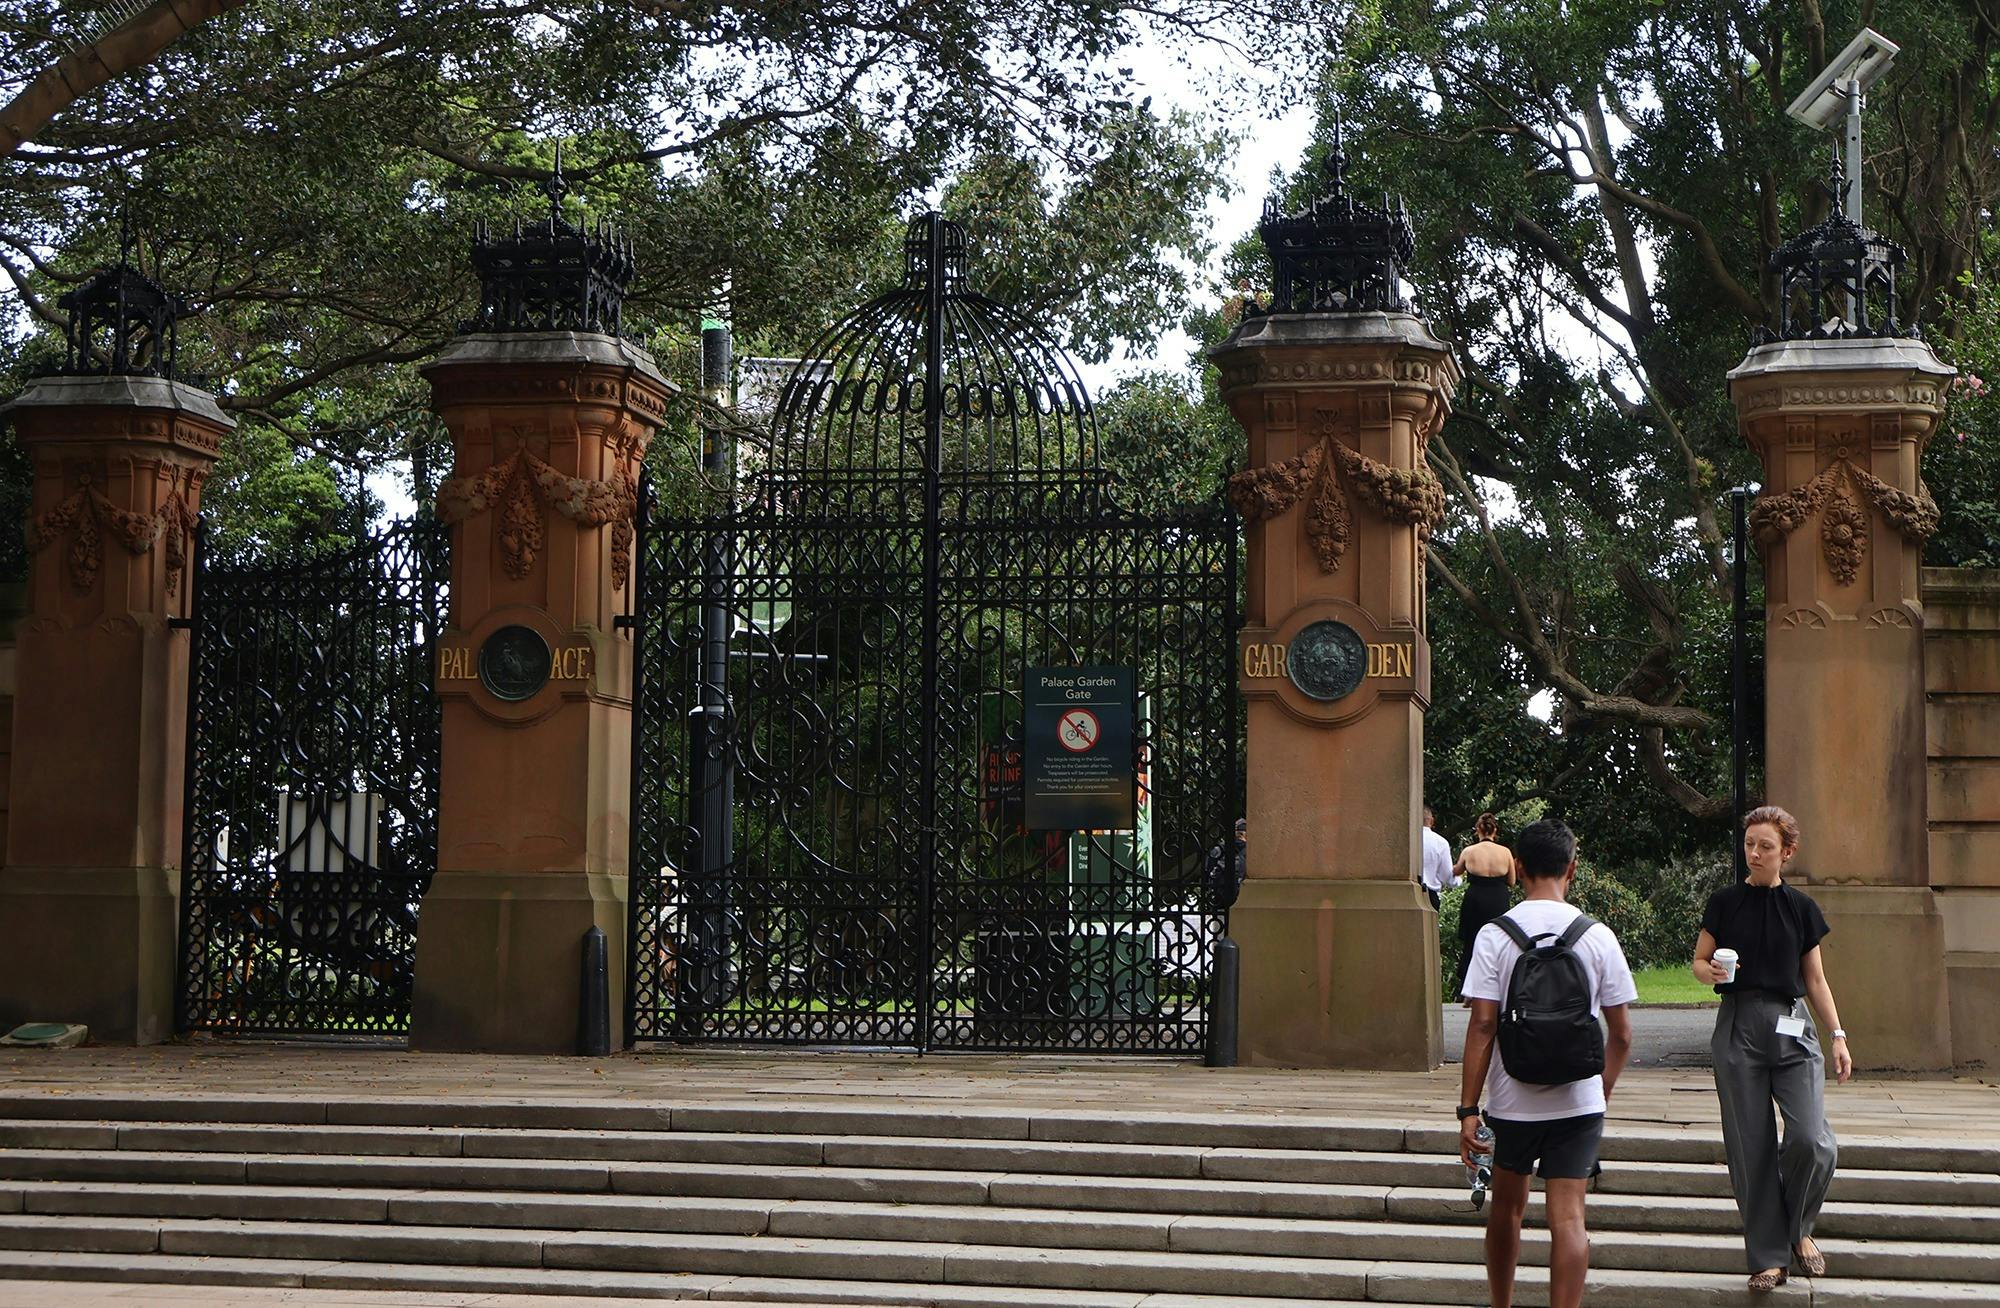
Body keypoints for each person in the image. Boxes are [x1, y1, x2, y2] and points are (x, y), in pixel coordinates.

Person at [1458, 819, 1636, 1308]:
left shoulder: (1495, 936)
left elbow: (1482, 1027)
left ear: (1518, 867)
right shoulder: (1598, 936)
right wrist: (1601, 1090)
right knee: (1570, 1220)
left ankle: (1502, 1304)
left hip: (1512, 1102)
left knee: (1506, 1211)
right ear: (1572, 870)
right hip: (1578, 1102)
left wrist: (1467, 1109)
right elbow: (1620, 1035)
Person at [1692, 805, 1850, 1292]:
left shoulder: (1802, 909)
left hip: (1792, 1024)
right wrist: (1710, 973)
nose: (1754, 853)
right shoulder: (1724, 902)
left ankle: (1798, 1229)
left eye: (1765, 846)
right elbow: (1698, 961)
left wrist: (1838, 1035)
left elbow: (1816, 979)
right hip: (1737, 1022)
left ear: (1787, 852)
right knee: (1750, 1146)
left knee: (1812, 1140)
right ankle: (1768, 1258)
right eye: (1749, 844)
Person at [1452, 812, 1513, 1001]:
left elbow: (1455, 871)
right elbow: (1511, 881)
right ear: (1495, 830)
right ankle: (1498, 988)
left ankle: (1469, 990)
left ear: (1477, 829)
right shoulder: (1505, 852)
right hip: (1498, 899)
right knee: (1498, 942)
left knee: (1472, 942)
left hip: (1475, 898)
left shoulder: (1469, 852)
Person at [1420, 806, 1456, 911]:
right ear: (1431, 821)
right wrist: (1458, 877)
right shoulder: (1440, 842)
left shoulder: (1405, 839)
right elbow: (1447, 876)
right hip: (1430, 896)